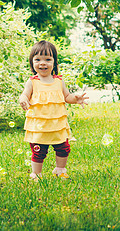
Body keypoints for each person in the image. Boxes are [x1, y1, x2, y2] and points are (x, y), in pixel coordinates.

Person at [19, 40, 87, 179]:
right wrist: (23, 99)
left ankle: (60, 169)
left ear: (54, 63)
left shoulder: (58, 81)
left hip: (57, 126)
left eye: (48, 59)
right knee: (39, 151)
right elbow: (25, 94)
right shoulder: (32, 82)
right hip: (39, 126)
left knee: (63, 148)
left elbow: (67, 96)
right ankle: (36, 174)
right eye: (37, 59)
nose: (42, 63)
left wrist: (75, 98)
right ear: (32, 62)